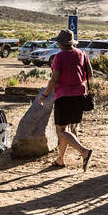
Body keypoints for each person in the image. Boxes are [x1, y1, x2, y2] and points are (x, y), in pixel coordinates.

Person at [38, 29, 93, 169]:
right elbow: (90, 73)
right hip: (79, 94)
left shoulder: (59, 57)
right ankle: (60, 159)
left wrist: (45, 95)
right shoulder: (81, 54)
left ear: (60, 43)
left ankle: (84, 151)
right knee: (66, 128)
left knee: (61, 131)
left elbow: (54, 78)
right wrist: (78, 82)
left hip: (64, 96)